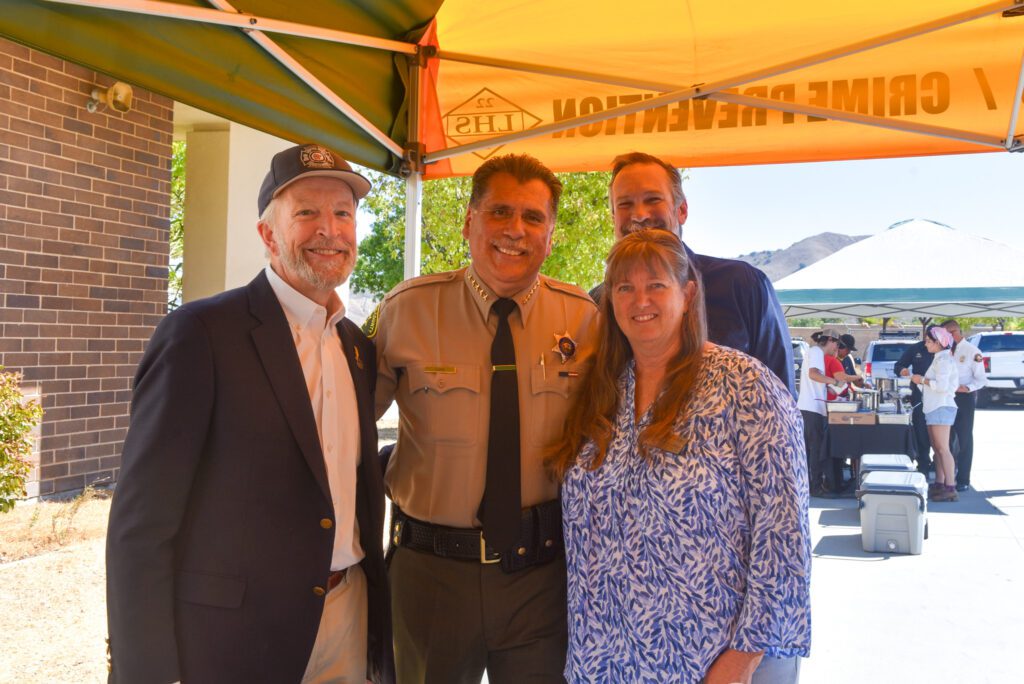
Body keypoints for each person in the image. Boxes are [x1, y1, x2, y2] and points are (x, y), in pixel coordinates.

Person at [106, 144, 393, 683]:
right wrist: (145, 669)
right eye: (306, 212)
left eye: (343, 213)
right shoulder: (200, 334)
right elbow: (140, 525)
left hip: (348, 617)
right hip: (238, 638)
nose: (329, 229)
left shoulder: (357, 346)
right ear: (268, 235)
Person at [368, 154, 600, 683]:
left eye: (533, 217)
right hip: (430, 576)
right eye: (500, 212)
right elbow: (346, 427)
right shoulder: (407, 309)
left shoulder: (583, 319)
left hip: (541, 579)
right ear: (469, 221)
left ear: (551, 232)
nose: (515, 230)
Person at [551, 230, 811, 684]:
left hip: (704, 663)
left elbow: (784, 539)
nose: (640, 300)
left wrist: (741, 661)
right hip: (603, 660)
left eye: (656, 285)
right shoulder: (604, 391)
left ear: (688, 294)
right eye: (624, 287)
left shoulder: (746, 386)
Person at [592, 151, 795, 395]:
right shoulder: (598, 303)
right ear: (614, 217)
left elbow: (782, 399)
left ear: (682, 210)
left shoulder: (742, 285)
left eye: (653, 199)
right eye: (625, 204)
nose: (639, 215)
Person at [797, 329, 854, 496]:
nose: (836, 348)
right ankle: (815, 488)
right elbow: (813, 374)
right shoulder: (815, 352)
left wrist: (831, 387)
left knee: (813, 449)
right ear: (830, 340)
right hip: (811, 408)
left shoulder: (817, 354)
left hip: (813, 407)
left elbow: (816, 379)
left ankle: (813, 485)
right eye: (836, 343)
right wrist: (834, 381)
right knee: (814, 450)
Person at [911, 325, 960, 502]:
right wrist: (920, 381)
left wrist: (921, 379)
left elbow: (942, 387)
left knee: (943, 449)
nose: (926, 345)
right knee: (938, 448)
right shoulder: (939, 358)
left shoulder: (944, 360)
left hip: (941, 406)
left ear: (938, 342)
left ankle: (950, 486)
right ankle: (940, 483)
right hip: (934, 406)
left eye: (928, 341)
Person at [940, 319, 987, 492]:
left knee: (964, 438)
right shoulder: (943, 351)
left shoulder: (972, 351)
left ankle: (963, 479)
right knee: (945, 440)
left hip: (963, 398)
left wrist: (967, 387)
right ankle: (946, 477)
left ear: (954, 332)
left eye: (945, 334)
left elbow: (981, 379)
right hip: (945, 398)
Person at [895, 339, 935, 475]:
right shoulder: (915, 348)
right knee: (921, 431)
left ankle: (938, 464)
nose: (928, 343)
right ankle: (923, 464)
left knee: (942, 435)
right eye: (927, 339)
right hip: (919, 396)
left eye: (932, 340)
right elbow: (899, 365)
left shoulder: (945, 352)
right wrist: (902, 370)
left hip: (939, 397)